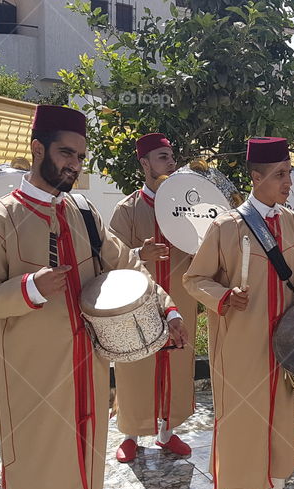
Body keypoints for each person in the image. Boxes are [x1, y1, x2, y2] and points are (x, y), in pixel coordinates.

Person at [0, 105, 188, 489]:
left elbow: (126, 264)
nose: (73, 164)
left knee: (87, 451)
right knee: (35, 463)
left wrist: (168, 307)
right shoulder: (1, 217)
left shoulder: (84, 213)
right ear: (37, 148)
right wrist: (28, 287)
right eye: (66, 152)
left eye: (80, 156)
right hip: (31, 373)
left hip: (88, 364)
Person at [183, 137, 294, 489]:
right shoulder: (226, 227)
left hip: (286, 344)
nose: (288, 182)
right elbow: (194, 279)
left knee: (279, 418)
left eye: (289, 173)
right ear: (256, 177)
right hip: (241, 345)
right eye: (280, 174)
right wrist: (224, 297)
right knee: (240, 421)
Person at [109, 133, 196, 462]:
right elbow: (109, 258)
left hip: (179, 300)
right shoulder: (128, 209)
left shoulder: (186, 209)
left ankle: (167, 433)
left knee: (176, 364)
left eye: (171, 156)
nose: (170, 162)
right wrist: (139, 254)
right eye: (162, 157)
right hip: (138, 304)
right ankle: (130, 434)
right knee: (136, 367)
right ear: (144, 163)